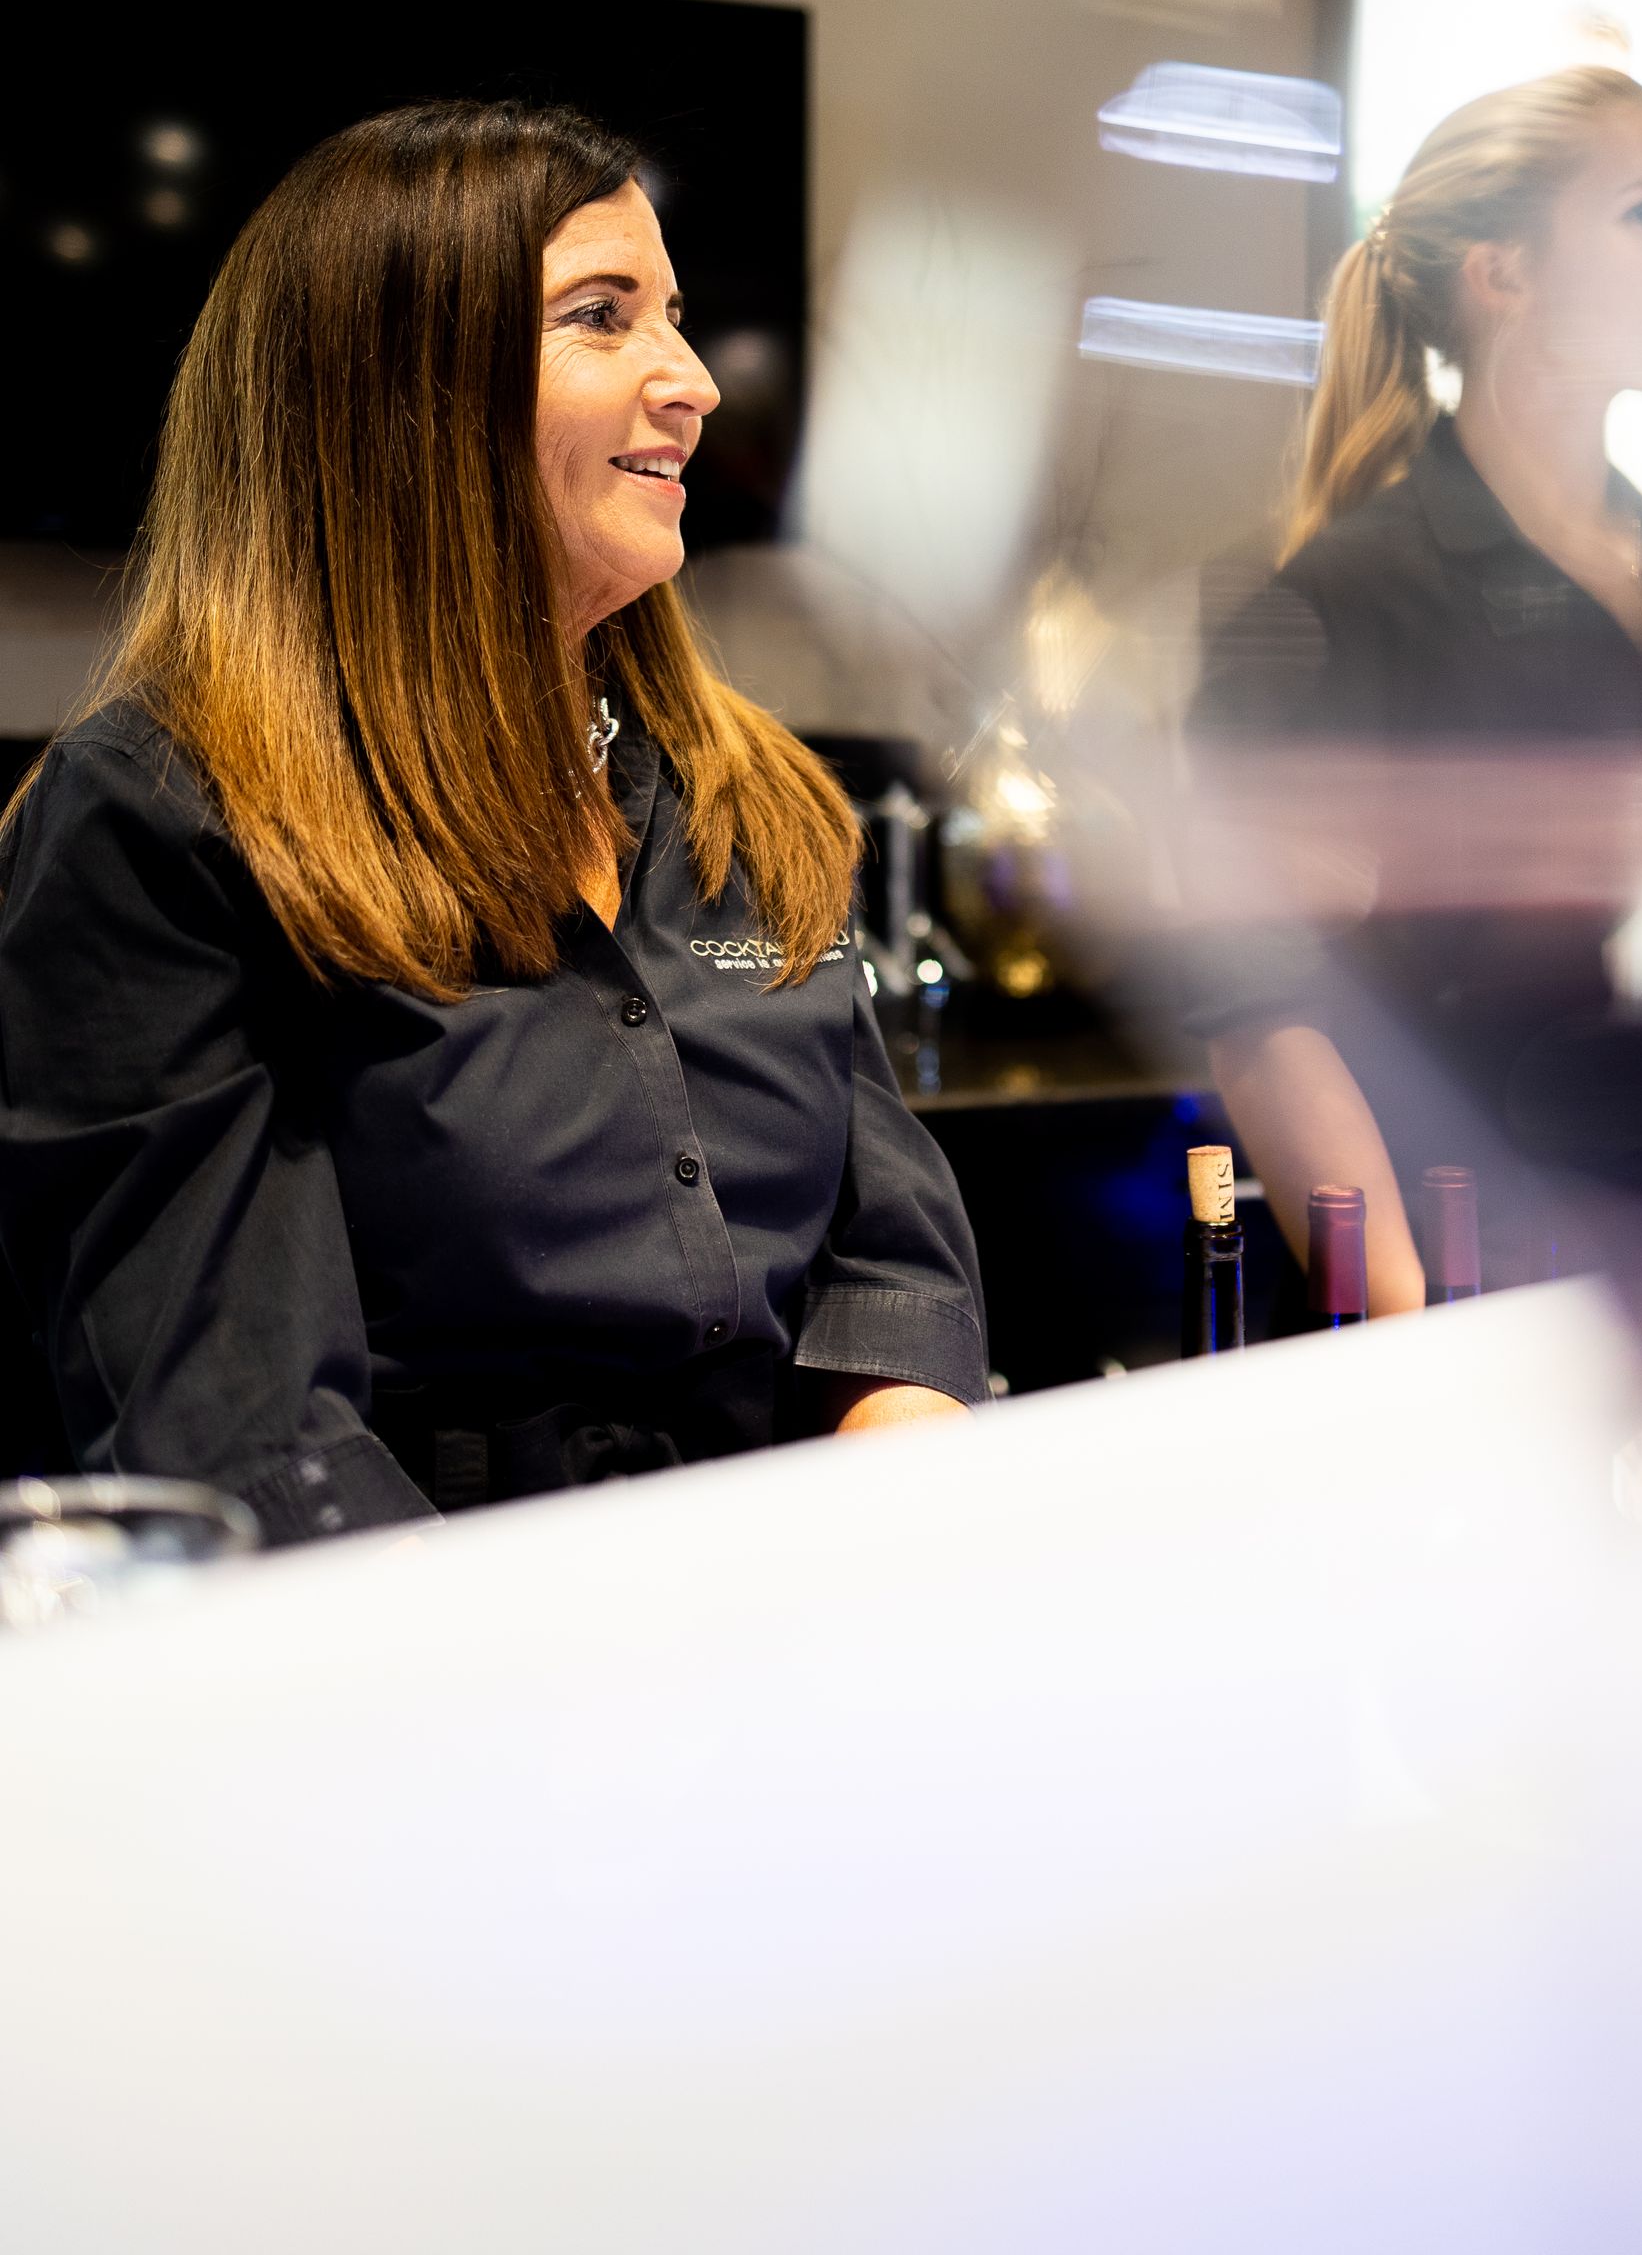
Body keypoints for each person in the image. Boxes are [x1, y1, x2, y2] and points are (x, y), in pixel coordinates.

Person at [0, 101, 987, 1541]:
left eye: (676, 317)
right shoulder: (157, 819)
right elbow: (249, 1435)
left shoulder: (742, 793)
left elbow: (889, 1267)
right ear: (400, 397)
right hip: (422, 1647)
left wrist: (887, 1553)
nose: (698, 382)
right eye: (602, 317)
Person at [1187, 65, 1642, 1315]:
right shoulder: (1330, 602)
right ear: (1501, 275)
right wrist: (1411, 1327)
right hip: (1458, 1318)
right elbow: (1260, 1007)